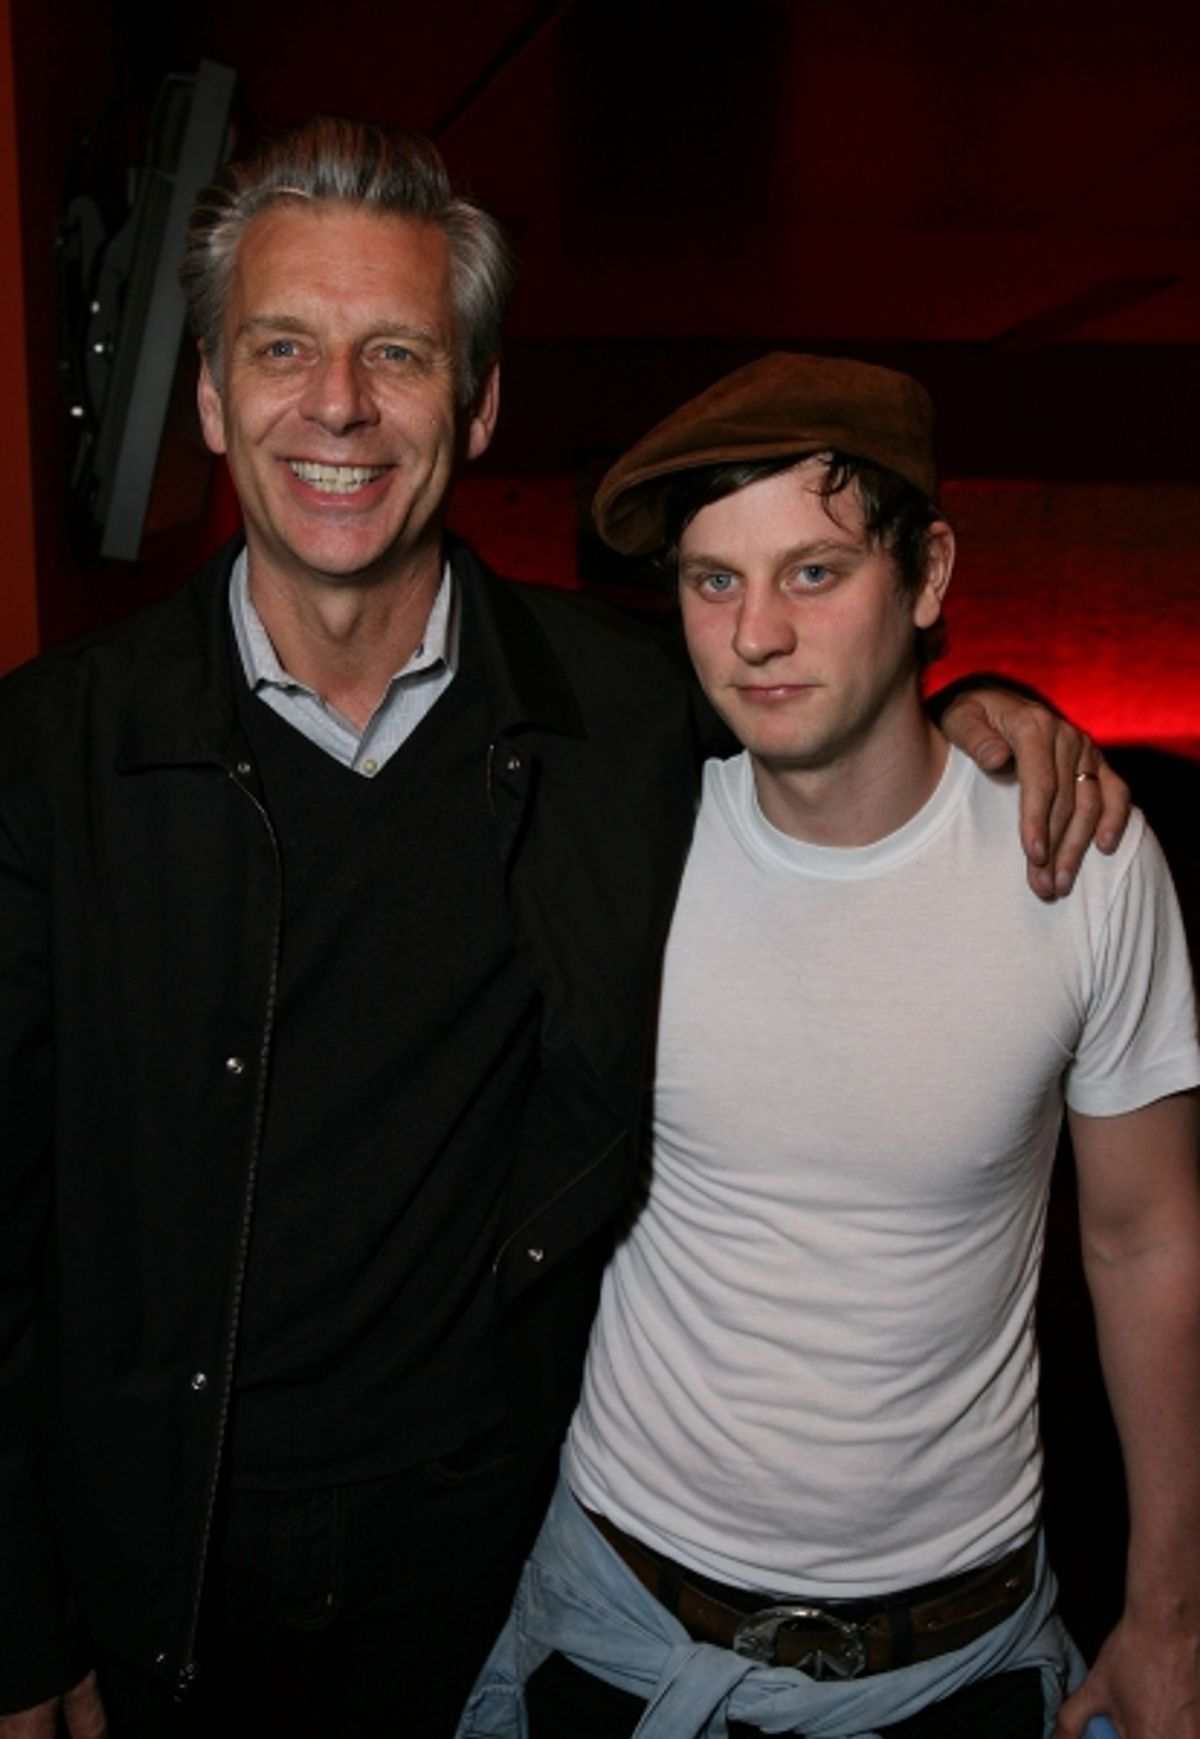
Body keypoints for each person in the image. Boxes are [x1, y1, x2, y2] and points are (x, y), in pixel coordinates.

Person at [0, 121, 1125, 1739]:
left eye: (398, 353)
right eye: (282, 348)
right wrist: (16, 1619)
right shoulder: (48, 757)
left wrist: (987, 713)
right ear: (210, 398)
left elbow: (833, 709)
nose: (338, 405)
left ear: (478, 404)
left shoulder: (626, 712)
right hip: (159, 1586)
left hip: (508, 1589)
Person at [458, 355, 1200, 1739]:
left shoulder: (1083, 863)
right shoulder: (626, 843)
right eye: (713, 580)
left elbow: (1147, 1238)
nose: (755, 635)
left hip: (957, 1665)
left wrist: (1171, 1615)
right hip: (620, 1632)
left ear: (928, 577)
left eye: (814, 572)